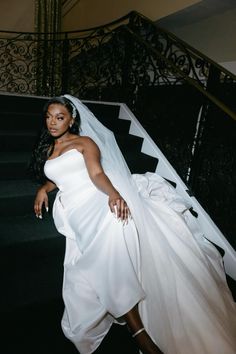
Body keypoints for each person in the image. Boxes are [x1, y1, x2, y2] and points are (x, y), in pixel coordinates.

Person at [31, 95, 236, 354]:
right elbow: (59, 175)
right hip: (71, 205)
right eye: (49, 117)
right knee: (103, 242)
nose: (52, 122)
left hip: (93, 195)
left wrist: (113, 194)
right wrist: (44, 188)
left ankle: (138, 331)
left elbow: (96, 174)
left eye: (59, 117)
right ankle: (135, 325)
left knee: (110, 232)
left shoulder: (85, 142)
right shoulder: (49, 148)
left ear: (71, 119)